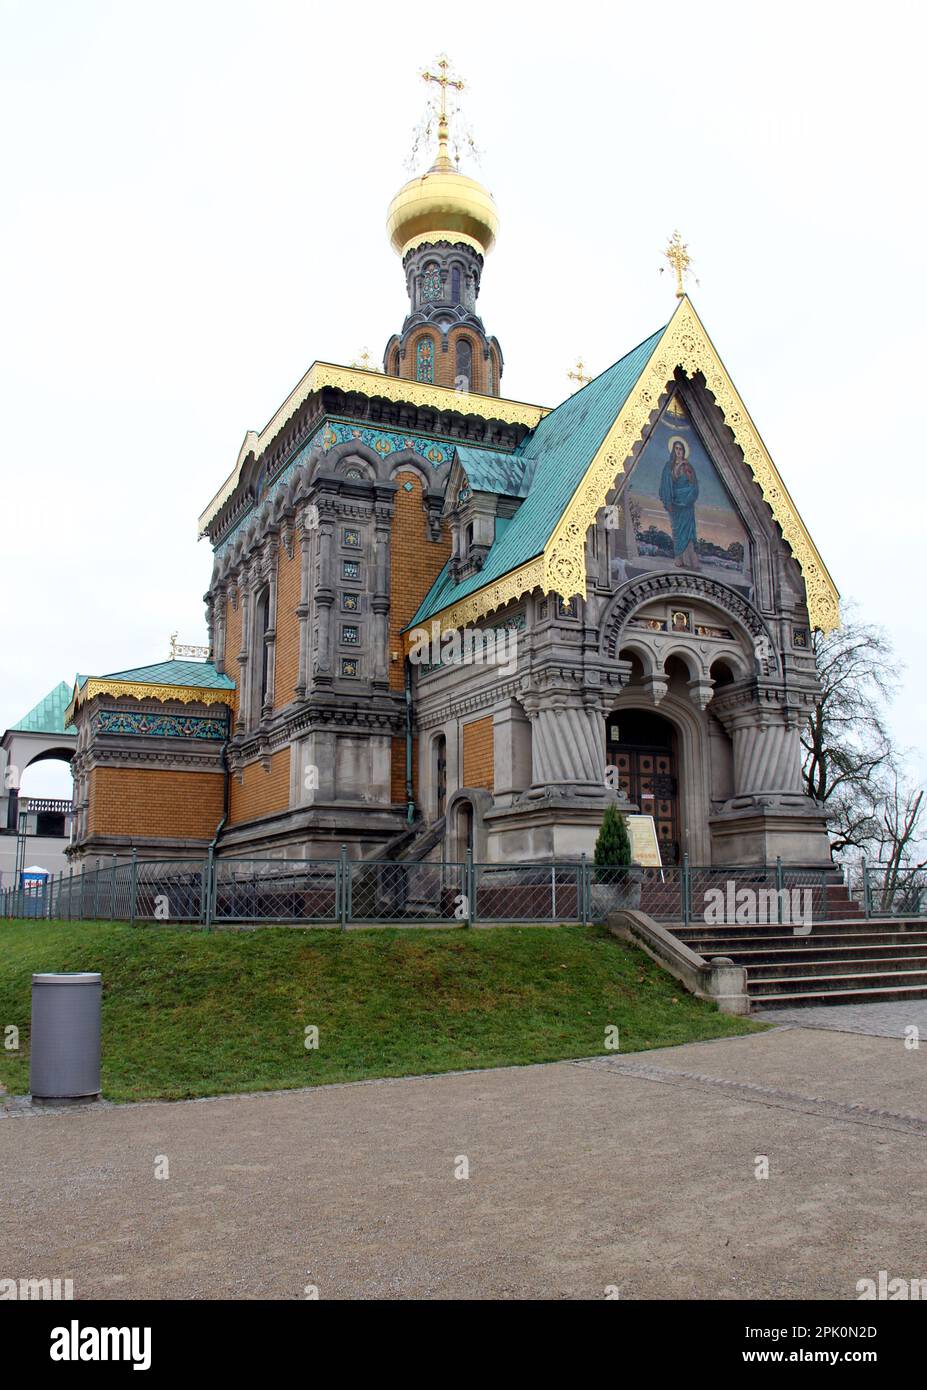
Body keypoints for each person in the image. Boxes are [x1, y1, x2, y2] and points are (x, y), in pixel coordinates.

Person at [659, 438, 700, 569]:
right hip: (676, 504)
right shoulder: (669, 466)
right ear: (673, 450)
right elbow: (668, 483)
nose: (678, 451)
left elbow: (693, 484)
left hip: (687, 504)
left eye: (680, 449)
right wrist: (678, 466)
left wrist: (689, 495)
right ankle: (679, 559)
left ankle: (690, 560)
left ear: (684, 451)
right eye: (676, 449)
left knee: (688, 532)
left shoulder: (688, 466)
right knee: (677, 530)